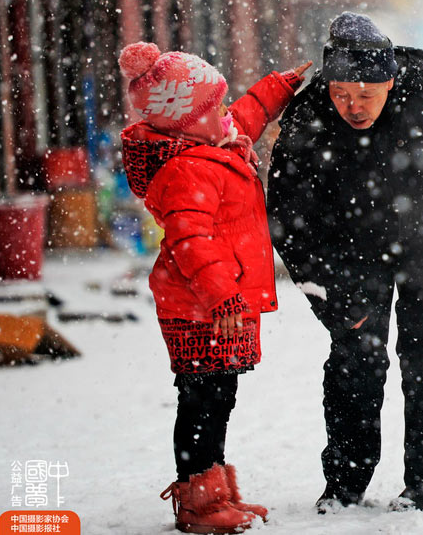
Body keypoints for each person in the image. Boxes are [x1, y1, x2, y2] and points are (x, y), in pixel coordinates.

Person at [267, 12, 423, 512]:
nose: (353, 106)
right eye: (342, 93)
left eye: (366, 94)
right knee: (355, 361)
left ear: (390, 80)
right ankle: (345, 484)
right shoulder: (309, 113)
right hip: (349, 253)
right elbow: (287, 207)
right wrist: (317, 284)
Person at [118, 42, 309, 533]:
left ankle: (214, 493)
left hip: (217, 304)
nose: (227, 113)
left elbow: (246, 115)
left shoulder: (213, 141)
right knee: (202, 399)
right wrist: (222, 295)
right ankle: (199, 504)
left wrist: (280, 85)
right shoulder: (188, 169)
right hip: (200, 305)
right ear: (188, 119)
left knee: (218, 396)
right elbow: (193, 241)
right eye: (216, 106)